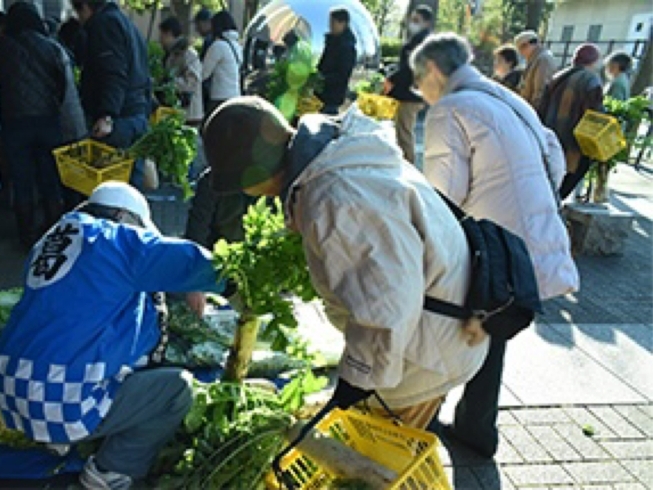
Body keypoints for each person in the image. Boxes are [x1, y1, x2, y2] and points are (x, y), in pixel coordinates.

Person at [202, 96, 490, 429]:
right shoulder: (338, 157)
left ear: (253, 172)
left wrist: (355, 381)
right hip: (437, 326)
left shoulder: (335, 197)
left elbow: (386, 303)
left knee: (383, 468)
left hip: (427, 350)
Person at [411, 33, 579, 457]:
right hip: (528, 243)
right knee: (490, 328)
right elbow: (554, 158)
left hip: (490, 246)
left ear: (433, 71)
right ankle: (476, 429)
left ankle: (423, 418)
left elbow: (443, 193)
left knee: (449, 324)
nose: (420, 91)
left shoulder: (450, 108)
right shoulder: (506, 98)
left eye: (420, 80)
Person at [0, 182, 222, 489]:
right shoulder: (112, 238)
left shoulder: (51, 244)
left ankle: (56, 439)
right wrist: (221, 277)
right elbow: (193, 261)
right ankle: (108, 473)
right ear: (124, 216)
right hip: (60, 403)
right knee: (176, 390)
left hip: (10, 397)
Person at [0, 2, 76, 247]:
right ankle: (53, 232)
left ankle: (25, 235)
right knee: (49, 179)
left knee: (22, 181)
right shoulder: (51, 48)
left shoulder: (3, 48)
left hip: (14, 125)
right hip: (48, 123)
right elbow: (64, 87)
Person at [74, 0, 150, 154]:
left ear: (85, 6)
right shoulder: (128, 25)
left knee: (111, 175)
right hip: (136, 112)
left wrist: (106, 115)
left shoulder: (104, 25)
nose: (79, 19)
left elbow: (113, 73)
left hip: (119, 120)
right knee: (133, 173)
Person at [539, 43, 604, 199]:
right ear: (593, 61)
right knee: (564, 184)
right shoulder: (591, 80)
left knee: (549, 181)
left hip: (551, 137)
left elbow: (541, 108)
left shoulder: (558, 77)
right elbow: (595, 115)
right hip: (573, 142)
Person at [385, 5, 434, 164]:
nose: (412, 23)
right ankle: (403, 162)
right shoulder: (419, 41)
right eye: (412, 19)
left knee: (404, 133)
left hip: (409, 94)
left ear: (426, 23)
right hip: (407, 92)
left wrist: (392, 78)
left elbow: (409, 69)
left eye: (416, 20)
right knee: (401, 132)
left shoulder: (421, 43)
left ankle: (408, 165)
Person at [159, 16, 203, 125]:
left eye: (162, 35)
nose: (160, 39)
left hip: (190, 112)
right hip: (178, 110)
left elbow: (191, 82)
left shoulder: (188, 54)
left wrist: (169, 83)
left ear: (169, 34)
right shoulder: (171, 53)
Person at [316, 8, 357, 115]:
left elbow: (343, 74)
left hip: (333, 95)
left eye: (332, 22)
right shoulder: (331, 41)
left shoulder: (347, 47)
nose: (330, 26)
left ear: (343, 23)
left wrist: (324, 79)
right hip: (321, 93)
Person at [202, 10, 242, 117]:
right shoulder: (237, 45)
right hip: (235, 95)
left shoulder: (218, 46)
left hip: (219, 98)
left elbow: (203, 73)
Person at [515, 30, 557, 109]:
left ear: (526, 45)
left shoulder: (543, 60)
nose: (521, 53)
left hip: (534, 110)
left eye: (520, 49)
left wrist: (533, 112)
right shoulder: (535, 59)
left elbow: (540, 91)